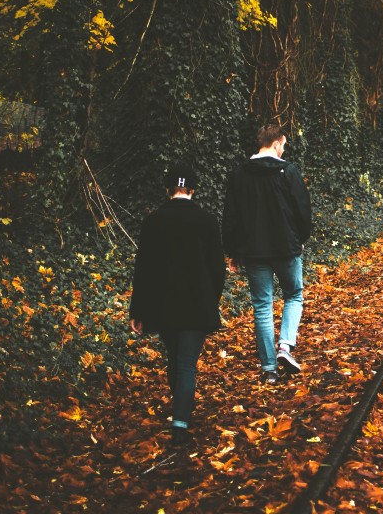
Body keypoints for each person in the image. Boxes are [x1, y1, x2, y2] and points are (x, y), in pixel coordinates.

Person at [130, 166, 226, 445]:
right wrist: (212, 297)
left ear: (167, 189)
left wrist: (138, 311)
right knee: (186, 364)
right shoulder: (207, 221)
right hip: (196, 304)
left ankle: (180, 409)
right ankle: (180, 423)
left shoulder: (153, 221)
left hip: (163, 305)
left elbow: (143, 269)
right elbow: (217, 268)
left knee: (175, 359)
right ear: (193, 189)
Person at [222, 124, 314, 385]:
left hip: (254, 252)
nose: (284, 150)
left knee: (262, 306)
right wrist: (300, 239)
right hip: (286, 248)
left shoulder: (240, 174)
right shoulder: (288, 171)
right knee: (294, 295)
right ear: (276, 143)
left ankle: (269, 368)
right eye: (283, 145)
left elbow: (231, 216)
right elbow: (303, 209)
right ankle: (285, 345)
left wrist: (232, 251)